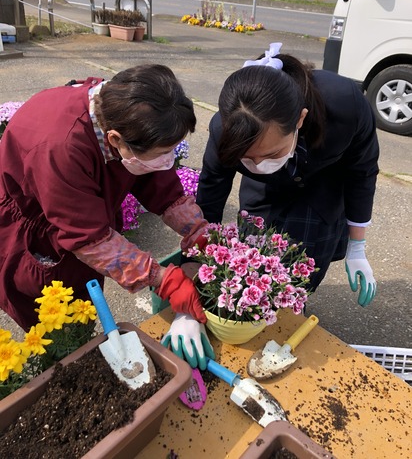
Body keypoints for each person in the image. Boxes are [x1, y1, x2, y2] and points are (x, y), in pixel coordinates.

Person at [0, 64, 211, 333]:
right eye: (162, 153)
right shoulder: (61, 148)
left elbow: (156, 178)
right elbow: (89, 238)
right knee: (59, 325)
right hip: (40, 232)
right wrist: (161, 278)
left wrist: (195, 229)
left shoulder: (121, 107)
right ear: (115, 139)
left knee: (84, 300)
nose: (168, 160)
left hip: (80, 218)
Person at [196, 43, 379, 307]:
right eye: (248, 158)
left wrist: (357, 246)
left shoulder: (344, 104)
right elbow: (212, 187)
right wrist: (200, 252)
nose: (259, 164)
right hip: (264, 192)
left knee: (305, 268)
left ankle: (292, 306)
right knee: (253, 263)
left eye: (271, 154)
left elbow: (362, 172)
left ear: (300, 119)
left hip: (323, 185)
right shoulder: (223, 130)